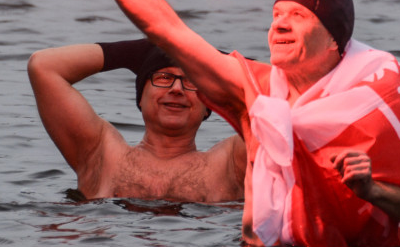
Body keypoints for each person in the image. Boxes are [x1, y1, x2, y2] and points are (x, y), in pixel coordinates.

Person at [60, 0, 400, 247]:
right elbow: (168, 30)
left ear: (335, 40)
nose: (279, 23)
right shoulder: (256, 93)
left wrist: (372, 191)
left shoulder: (377, 97)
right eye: (276, 14)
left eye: (297, 16)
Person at [28, 38, 245, 202]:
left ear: (209, 106)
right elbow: (44, 66)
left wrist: (217, 61)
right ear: (141, 97)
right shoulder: (101, 155)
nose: (177, 89)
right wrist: (140, 50)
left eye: (191, 82)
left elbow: (278, 93)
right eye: (163, 78)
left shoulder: (233, 162)